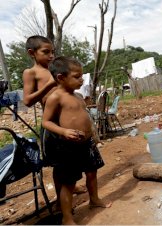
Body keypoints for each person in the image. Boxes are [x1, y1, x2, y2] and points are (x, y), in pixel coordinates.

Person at [42, 56, 111, 224]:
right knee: (69, 183)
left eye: (81, 76)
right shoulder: (55, 98)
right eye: (76, 76)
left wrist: (93, 135)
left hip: (86, 144)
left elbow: (85, 117)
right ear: (61, 78)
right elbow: (46, 122)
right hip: (68, 147)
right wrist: (64, 131)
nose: (81, 79)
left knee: (92, 172)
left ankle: (94, 199)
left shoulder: (78, 96)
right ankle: (67, 218)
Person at [22, 35, 87, 211]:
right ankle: (60, 200)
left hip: (67, 122)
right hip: (52, 124)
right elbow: (27, 100)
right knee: (59, 166)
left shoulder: (57, 69)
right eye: (46, 52)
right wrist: (49, 85)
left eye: (52, 52)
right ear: (31, 53)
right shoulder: (31, 73)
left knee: (71, 162)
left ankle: (70, 187)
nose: (51, 55)